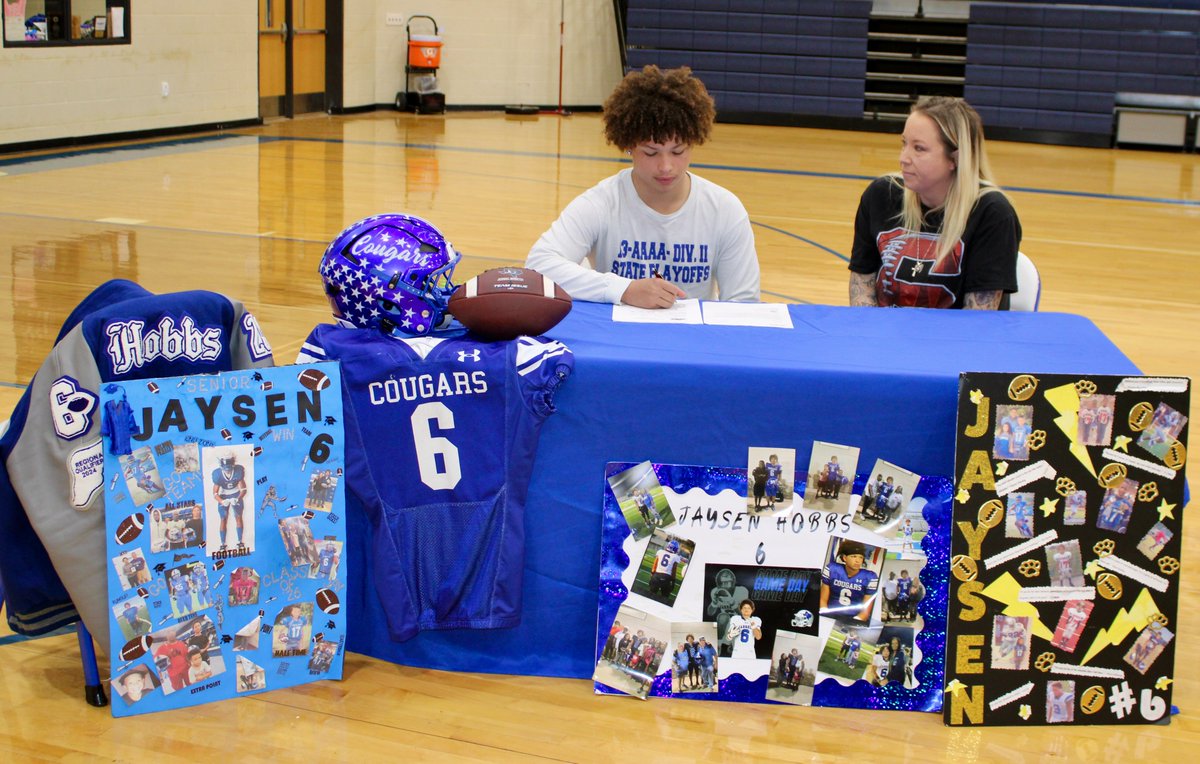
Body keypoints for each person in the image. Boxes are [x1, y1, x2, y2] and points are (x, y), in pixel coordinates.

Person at [525, 65, 760, 308]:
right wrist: (623, 289)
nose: (666, 166)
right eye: (651, 153)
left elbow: (744, 303)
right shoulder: (602, 202)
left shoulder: (725, 209)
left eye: (678, 151)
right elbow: (537, 266)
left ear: (693, 142)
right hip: (619, 339)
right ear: (629, 146)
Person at [848, 96, 1020, 309]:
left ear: (955, 159)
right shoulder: (881, 195)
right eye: (904, 144)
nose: (904, 158)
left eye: (919, 148)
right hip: (887, 339)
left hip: (953, 341)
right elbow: (862, 287)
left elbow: (978, 321)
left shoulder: (992, 213)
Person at [821, 540, 879, 621]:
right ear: (845, 558)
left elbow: (865, 613)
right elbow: (822, 600)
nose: (858, 561)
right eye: (854, 556)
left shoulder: (870, 577)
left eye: (860, 557)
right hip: (829, 615)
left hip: (853, 619)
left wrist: (854, 622)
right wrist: (825, 616)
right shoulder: (832, 569)